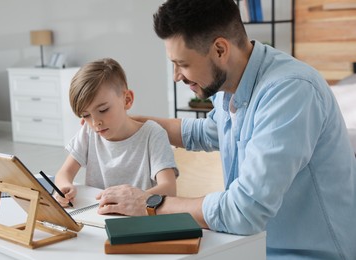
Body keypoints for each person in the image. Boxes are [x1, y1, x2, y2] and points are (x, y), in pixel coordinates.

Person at [95, 0, 356, 259]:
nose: (176, 76)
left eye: (183, 64)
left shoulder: (290, 91)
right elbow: (205, 132)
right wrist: (128, 124)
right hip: (251, 245)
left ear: (220, 49)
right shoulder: (229, 85)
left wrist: (149, 203)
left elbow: (244, 212)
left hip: (309, 254)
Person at [54, 58, 178, 207]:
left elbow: (169, 190)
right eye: (86, 115)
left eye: (103, 110)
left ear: (127, 100)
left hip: (140, 219)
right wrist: (64, 187)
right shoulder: (88, 133)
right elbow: (64, 174)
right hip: (99, 216)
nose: (95, 123)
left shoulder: (153, 134)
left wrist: (137, 199)